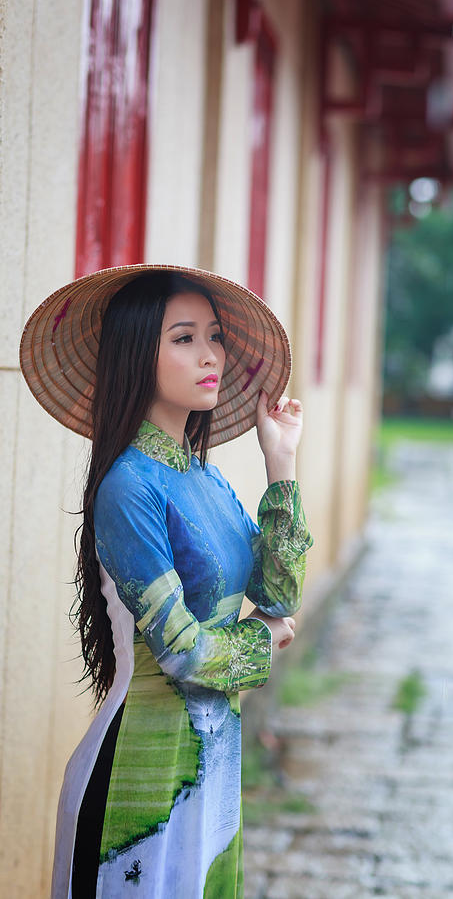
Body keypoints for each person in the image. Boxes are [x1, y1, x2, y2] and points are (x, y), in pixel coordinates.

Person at [19, 264, 313, 898]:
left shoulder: (209, 483)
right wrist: (266, 642)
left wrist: (281, 463)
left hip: (212, 767)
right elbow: (182, 653)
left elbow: (280, 597)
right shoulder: (129, 487)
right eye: (183, 338)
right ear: (137, 353)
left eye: (214, 336)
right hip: (139, 783)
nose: (209, 355)